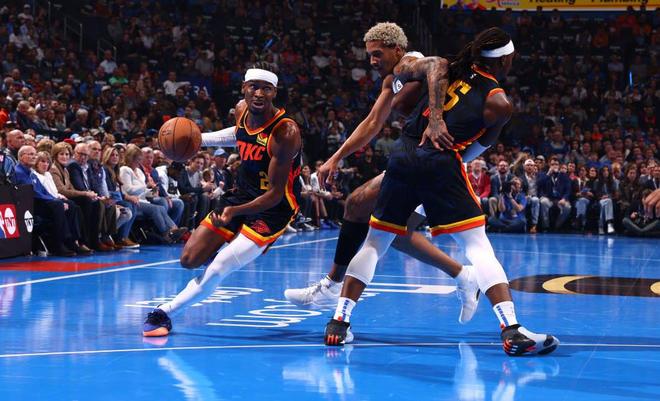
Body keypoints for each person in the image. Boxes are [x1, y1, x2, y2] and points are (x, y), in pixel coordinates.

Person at [324, 28, 558, 357]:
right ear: (505, 60)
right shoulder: (499, 102)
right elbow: (476, 148)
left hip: (403, 155)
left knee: (375, 242)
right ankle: (511, 329)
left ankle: (339, 322)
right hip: (441, 163)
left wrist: (428, 112)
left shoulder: (449, 66)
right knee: (477, 246)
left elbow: (405, 94)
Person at [283, 23, 479, 320]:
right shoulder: (392, 80)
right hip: (416, 162)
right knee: (379, 222)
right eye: (369, 56)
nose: (372, 61)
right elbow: (373, 122)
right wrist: (336, 157)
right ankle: (464, 275)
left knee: (369, 215)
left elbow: (439, 66)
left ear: (397, 49)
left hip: (439, 165)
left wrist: (436, 119)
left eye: (378, 54)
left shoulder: (411, 64)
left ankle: (334, 292)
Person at [142, 62, 303, 337]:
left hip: (274, 208)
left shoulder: (285, 132)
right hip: (240, 195)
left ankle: (164, 313)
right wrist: (196, 140)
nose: (259, 94)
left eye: (266, 89)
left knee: (219, 267)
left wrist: (233, 212)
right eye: (254, 87)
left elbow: (275, 194)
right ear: (244, 88)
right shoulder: (241, 110)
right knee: (189, 260)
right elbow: (239, 134)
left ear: (274, 92)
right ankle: (233, 248)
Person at [13, 146, 78, 256]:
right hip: (30, 205)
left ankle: (70, 241)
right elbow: (33, 193)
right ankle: (57, 245)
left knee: (70, 204)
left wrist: (55, 198)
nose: (34, 157)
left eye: (34, 154)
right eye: (30, 154)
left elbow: (43, 190)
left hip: (40, 202)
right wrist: (55, 200)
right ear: (21, 156)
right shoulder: (17, 172)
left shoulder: (31, 173)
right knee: (57, 205)